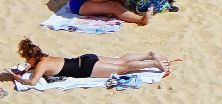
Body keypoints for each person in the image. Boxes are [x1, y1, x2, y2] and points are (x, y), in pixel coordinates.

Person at [12, 39, 175, 86]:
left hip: (86, 68)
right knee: (121, 61)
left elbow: (33, 82)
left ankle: (153, 63)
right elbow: (34, 66)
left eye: (27, 59)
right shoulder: (45, 57)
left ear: (33, 57)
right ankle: (148, 54)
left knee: (123, 68)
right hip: (87, 58)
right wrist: (28, 67)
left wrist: (18, 78)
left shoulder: (41, 65)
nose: (27, 62)